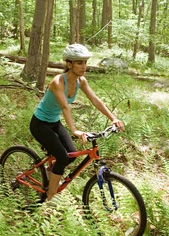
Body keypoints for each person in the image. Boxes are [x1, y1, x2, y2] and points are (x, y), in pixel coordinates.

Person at [30, 43, 125, 203]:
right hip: (40, 124)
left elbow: (95, 100)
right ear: (69, 64)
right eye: (79, 62)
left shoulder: (81, 81)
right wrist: (74, 130)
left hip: (54, 122)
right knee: (61, 156)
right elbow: (65, 107)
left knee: (71, 155)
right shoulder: (58, 82)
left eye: (85, 62)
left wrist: (113, 118)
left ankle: (50, 173)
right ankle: (50, 197)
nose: (84, 66)